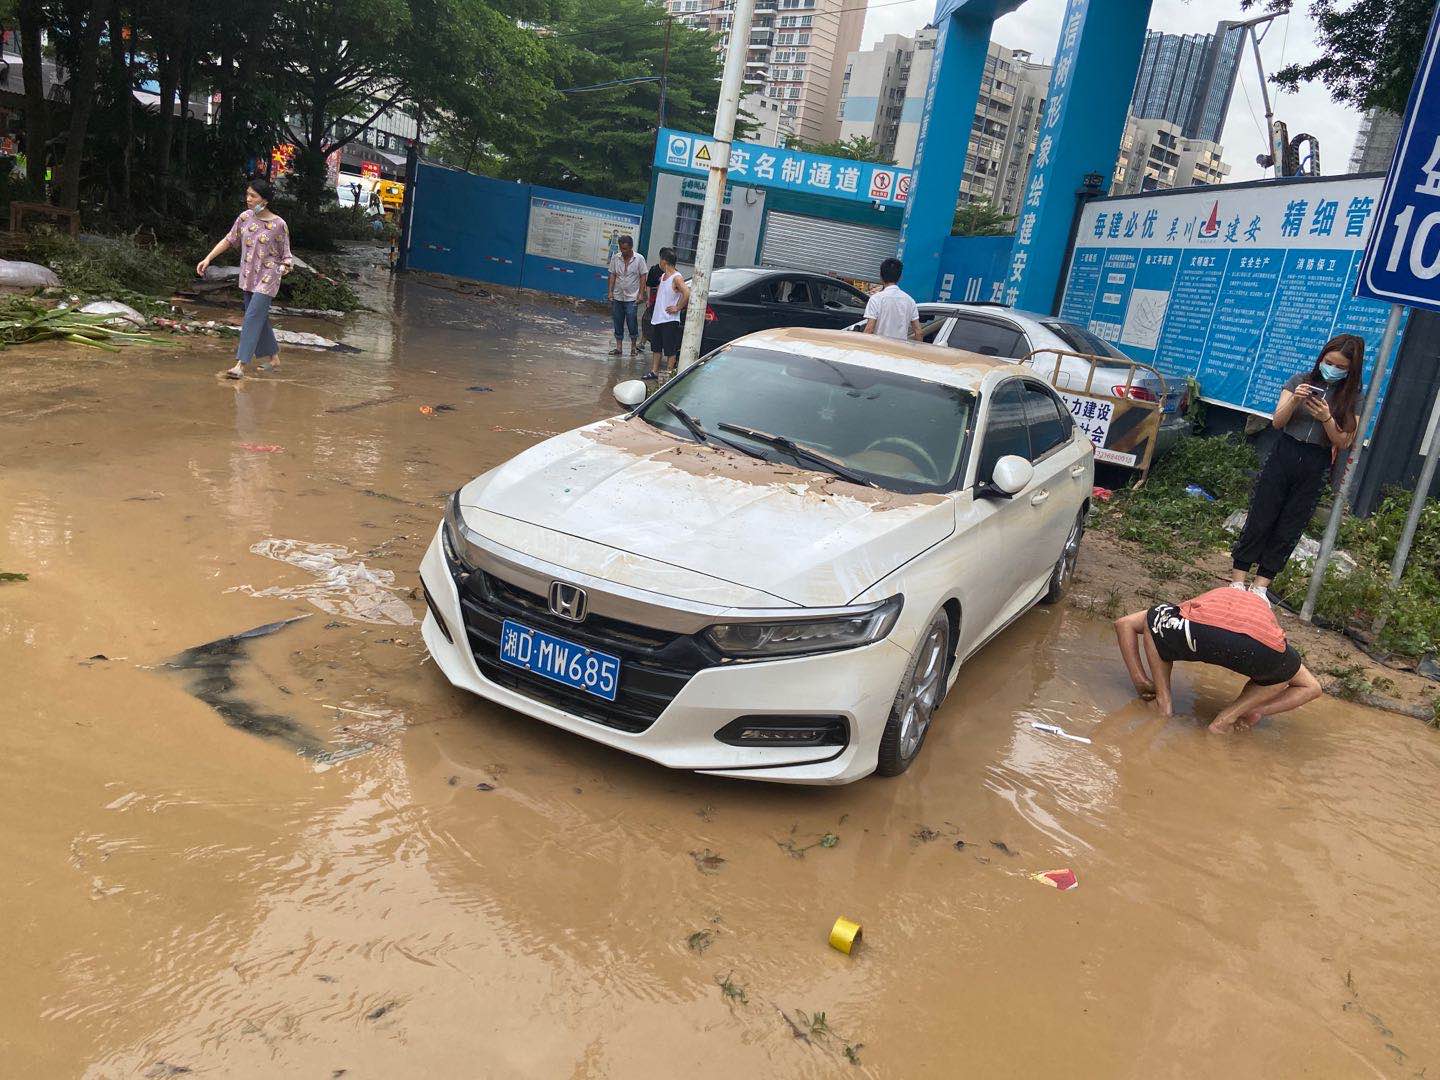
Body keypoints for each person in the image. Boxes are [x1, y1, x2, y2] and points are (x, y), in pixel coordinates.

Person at [1231, 334, 1364, 597]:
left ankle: (1261, 585)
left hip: (1317, 459)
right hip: (1285, 451)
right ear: (1321, 359)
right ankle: (1237, 580)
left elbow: (1344, 441)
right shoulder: (1300, 380)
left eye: (1340, 367)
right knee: (1261, 515)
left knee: (1291, 524)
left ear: (1351, 370)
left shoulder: (1353, 397)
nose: (1332, 369)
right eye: (1329, 363)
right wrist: (1294, 400)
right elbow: (1277, 422)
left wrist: (1326, 418)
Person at [1113, 586, 1322, 733]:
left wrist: (1141, 681)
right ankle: (1227, 719)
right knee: (1280, 672)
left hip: (1201, 630)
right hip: (1260, 646)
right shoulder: (1262, 615)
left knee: (1155, 620)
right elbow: (1312, 688)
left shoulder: (1204, 602)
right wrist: (1256, 709)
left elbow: (1124, 624)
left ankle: (1163, 704)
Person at [197, 178, 293, 380]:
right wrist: (208, 258)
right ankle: (274, 359)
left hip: (268, 277)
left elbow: (286, 256)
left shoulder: (279, 224)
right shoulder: (244, 218)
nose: (248, 199)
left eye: (253, 196)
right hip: (249, 276)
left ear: (264, 200)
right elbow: (229, 239)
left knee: (251, 318)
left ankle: (240, 364)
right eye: (247, 194)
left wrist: (284, 268)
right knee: (259, 317)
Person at [646, 248, 688, 379]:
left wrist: (678, 307)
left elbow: (687, 292)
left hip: (669, 320)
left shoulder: (677, 278)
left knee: (670, 349)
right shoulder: (663, 277)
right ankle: (654, 371)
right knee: (656, 347)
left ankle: (669, 375)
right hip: (658, 318)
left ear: (664, 261)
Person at [606, 235, 648, 357]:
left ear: (631, 247)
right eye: (621, 248)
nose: (623, 251)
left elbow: (643, 276)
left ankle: (633, 347)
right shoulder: (616, 258)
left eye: (625, 249)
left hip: (632, 297)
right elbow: (612, 274)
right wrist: (610, 291)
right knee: (617, 320)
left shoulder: (639, 259)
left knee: (631, 320)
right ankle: (619, 347)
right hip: (618, 295)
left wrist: (641, 293)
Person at [863, 257, 921, 341]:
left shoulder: (876, 299)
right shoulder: (910, 301)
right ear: (900, 277)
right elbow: (918, 332)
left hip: (879, 347)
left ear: (881, 276)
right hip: (900, 348)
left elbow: (869, 329)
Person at [642, 259, 664, 377]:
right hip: (653, 300)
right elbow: (649, 285)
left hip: (663, 307)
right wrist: (648, 299)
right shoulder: (654, 270)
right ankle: (643, 341)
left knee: (656, 329)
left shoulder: (673, 275)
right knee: (647, 320)